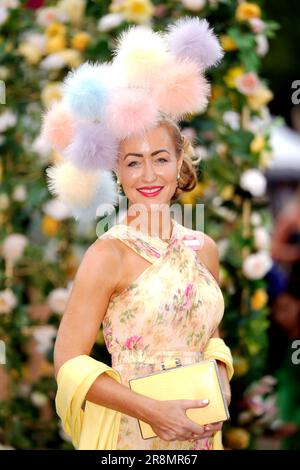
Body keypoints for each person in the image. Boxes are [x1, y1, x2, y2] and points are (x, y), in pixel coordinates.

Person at [46, 18, 234, 450]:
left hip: (200, 436)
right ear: (117, 170)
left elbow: (209, 336)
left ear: (180, 162)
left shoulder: (204, 248)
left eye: (160, 158)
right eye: (133, 162)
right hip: (133, 439)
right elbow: (68, 363)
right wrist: (153, 413)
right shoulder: (108, 253)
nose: (148, 175)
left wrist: (221, 381)